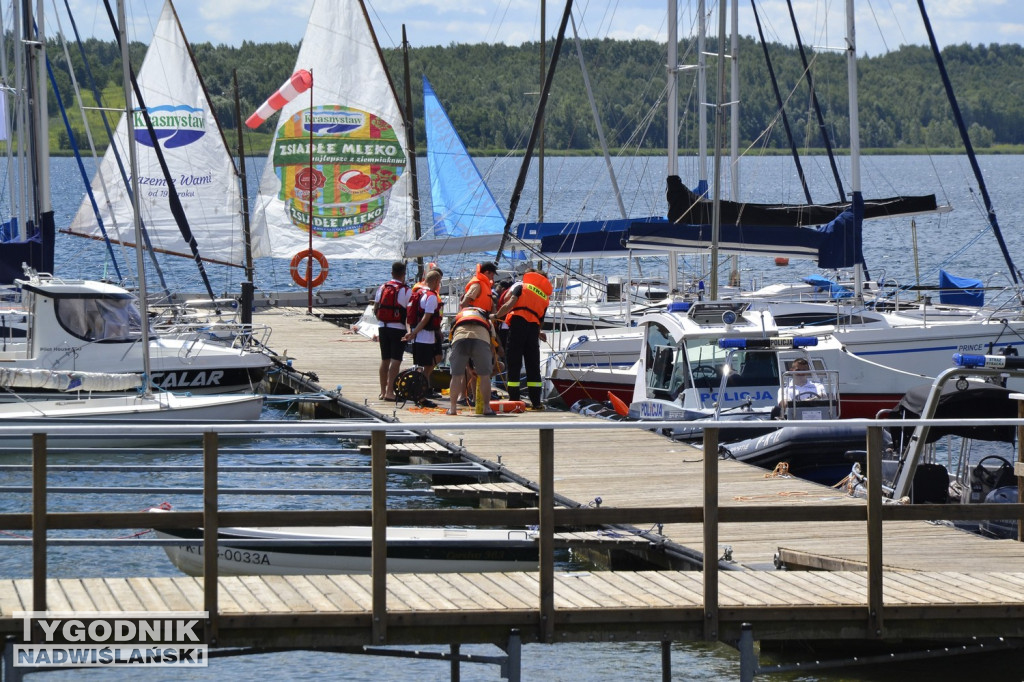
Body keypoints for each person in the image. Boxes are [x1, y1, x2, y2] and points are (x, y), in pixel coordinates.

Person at [493, 268, 552, 409]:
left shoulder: (521, 286)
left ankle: (514, 400)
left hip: (518, 325)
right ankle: (536, 402)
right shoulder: (544, 296)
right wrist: (538, 332)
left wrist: (495, 316)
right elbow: (540, 319)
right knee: (533, 365)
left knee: (514, 364)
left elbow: (509, 304)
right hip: (533, 330)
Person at [447, 307, 497, 416]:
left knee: (456, 376)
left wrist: (468, 368)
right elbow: (492, 345)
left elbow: (451, 340)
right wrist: (490, 364)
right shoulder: (486, 319)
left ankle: (453, 409)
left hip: (460, 338)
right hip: (481, 339)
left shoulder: (458, 318)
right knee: (484, 376)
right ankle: (486, 408)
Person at [403, 269, 444, 400]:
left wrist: (412, 332)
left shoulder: (419, 293)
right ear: (437, 281)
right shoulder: (431, 296)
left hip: (419, 336)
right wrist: (414, 333)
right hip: (425, 336)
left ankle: (421, 391)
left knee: (423, 365)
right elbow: (426, 317)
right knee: (425, 367)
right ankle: (422, 394)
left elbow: (410, 315)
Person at [373, 261, 410, 401]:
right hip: (398, 328)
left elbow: (376, 307)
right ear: (404, 274)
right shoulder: (405, 290)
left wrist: (381, 320)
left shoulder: (383, 287)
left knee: (385, 359)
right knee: (396, 360)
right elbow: (409, 312)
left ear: (392, 273)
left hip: (383, 326)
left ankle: (382, 392)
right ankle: (390, 392)